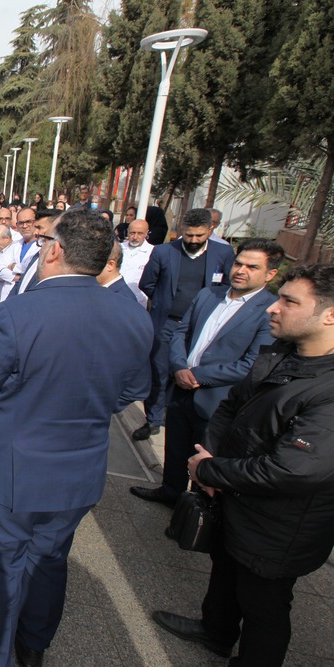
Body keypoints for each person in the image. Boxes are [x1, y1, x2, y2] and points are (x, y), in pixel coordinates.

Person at [0, 208, 153, 667]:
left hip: (12, 473)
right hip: (80, 471)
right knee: (47, 560)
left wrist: (21, 395)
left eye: (44, 242)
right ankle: (33, 645)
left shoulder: (16, 312)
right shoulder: (133, 315)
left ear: (55, 250)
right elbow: (133, 390)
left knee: (3, 568)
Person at [152, 263, 334, 667]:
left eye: (289, 302)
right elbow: (232, 406)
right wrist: (212, 459)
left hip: (280, 527)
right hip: (237, 498)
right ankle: (215, 631)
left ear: (329, 315)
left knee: (264, 605)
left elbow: (292, 469)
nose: (272, 308)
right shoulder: (281, 353)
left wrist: (209, 471)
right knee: (225, 572)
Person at [130, 239, 283, 508]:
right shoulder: (208, 294)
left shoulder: (269, 311)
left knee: (205, 456)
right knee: (175, 447)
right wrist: (179, 366)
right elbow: (181, 332)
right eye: (238, 263)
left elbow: (251, 364)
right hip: (181, 388)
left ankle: (194, 509)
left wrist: (198, 375)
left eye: (252, 267)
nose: (241, 270)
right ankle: (170, 492)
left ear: (270, 274)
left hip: (217, 400)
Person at [133, 209, 235, 441]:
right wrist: (165, 304)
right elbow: (147, 283)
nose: (193, 240)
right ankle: (153, 419)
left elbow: (227, 287)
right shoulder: (164, 252)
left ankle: (175, 413)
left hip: (201, 326)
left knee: (189, 372)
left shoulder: (223, 253)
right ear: (181, 230)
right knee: (159, 372)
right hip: (167, 323)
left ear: (210, 230)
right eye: (189, 235)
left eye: (199, 235)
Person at [121, 219, 154, 307]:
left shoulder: (153, 252)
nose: (135, 237)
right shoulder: (118, 248)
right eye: (132, 233)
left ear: (146, 233)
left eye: (140, 233)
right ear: (127, 232)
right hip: (114, 298)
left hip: (138, 302)